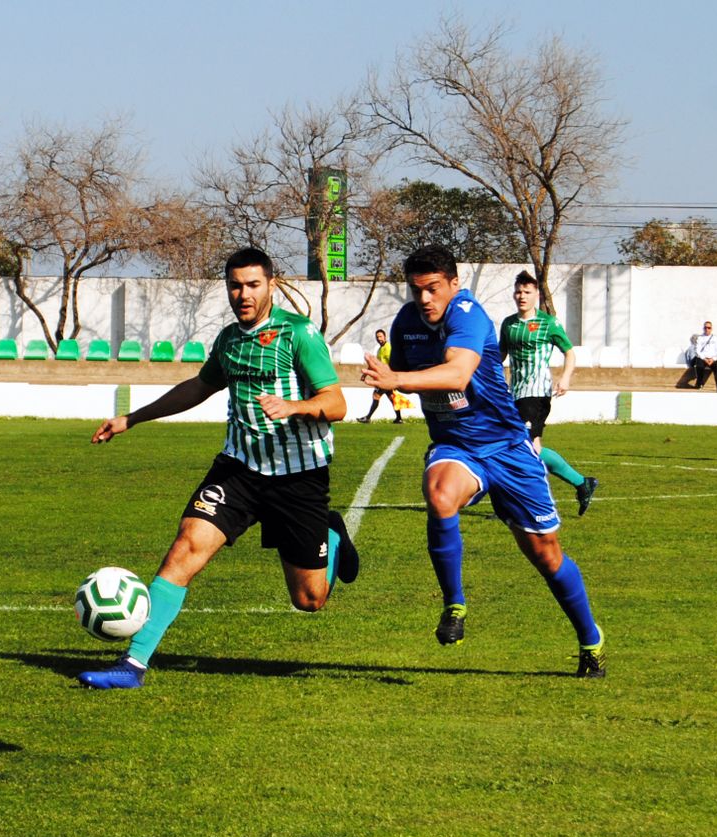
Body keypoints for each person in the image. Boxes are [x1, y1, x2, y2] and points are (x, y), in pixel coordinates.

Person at [77, 247, 359, 688]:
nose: (243, 294)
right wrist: (132, 419)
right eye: (235, 286)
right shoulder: (229, 340)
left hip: (298, 477)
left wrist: (294, 407)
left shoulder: (299, 334)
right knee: (187, 546)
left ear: (271, 285)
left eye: (253, 285)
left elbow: (336, 403)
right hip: (238, 470)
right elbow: (198, 388)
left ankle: (330, 534)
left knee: (309, 599)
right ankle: (132, 664)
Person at [360, 245, 607, 678]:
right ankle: (454, 605)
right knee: (440, 495)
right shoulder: (405, 323)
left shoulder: (468, 315)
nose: (425, 299)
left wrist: (397, 379)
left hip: (507, 448)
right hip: (456, 447)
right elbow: (401, 373)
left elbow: (457, 373)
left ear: (454, 284)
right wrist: (390, 379)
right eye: (416, 290)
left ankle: (591, 640)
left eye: (433, 288)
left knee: (547, 557)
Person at [499, 270, 599, 516]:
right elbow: (500, 356)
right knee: (520, 447)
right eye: (518, 291)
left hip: (537, 393)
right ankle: (581, 483)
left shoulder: (548, 323)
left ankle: (522, 503)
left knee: (527, 447)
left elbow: (569, 352)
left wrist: (565, 377)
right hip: (515, 393)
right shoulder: (509, 324)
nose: (522, 296)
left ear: (537, 295)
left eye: (527, 292)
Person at [356, 328, 406, 424]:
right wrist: (365, 374)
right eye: (377, 337)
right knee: (392, 397)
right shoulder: (380, 349)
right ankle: (399, 418)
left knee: (376, 395)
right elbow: (375, 364)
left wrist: (394, 376)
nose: (379, 339)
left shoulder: (388, 348)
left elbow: (394, 362)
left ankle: (368, 417)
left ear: (385, 337)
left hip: (386, 378)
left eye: (380, 336)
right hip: (385, 378)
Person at [686, 320, 717, 392]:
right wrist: (704, 359)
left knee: (716, 370)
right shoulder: (700, 338)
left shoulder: (715, 338)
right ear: (703, 328)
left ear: (711, 328)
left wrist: (713, 359)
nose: (707, 329)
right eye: (705, 328)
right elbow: (697, 350)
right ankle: (699, 384)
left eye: (709, 328)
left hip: (712, 358)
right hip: (703, 358)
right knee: (699, 367)